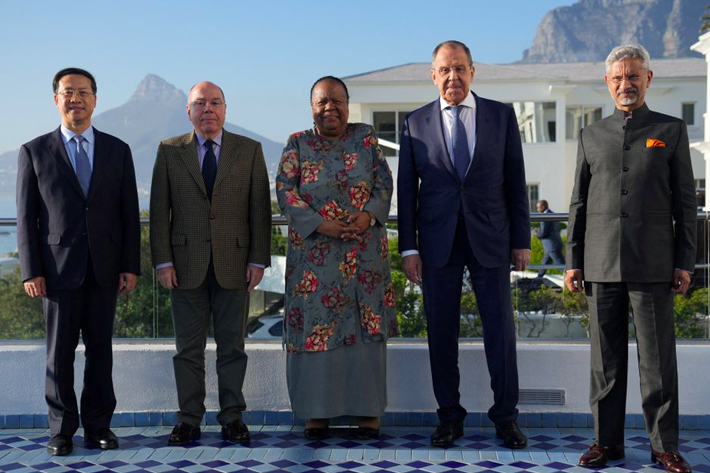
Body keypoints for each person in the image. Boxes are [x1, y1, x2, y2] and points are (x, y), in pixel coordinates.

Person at [565, 44, 695, 473]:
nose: (626, 84)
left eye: (633, 76)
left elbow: (685, 205)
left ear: (648, 79)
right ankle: (606, 443)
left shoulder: (670, 130)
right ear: (608, 82)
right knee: (605, 363)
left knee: (658, 363)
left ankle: (664, 447)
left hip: (654, 264)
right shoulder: (590, 134)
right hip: (600, 264)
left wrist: (684, 262)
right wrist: (572, 261)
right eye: (618, 77)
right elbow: (578, 205)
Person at [397, 41, 530, 449]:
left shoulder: (501, 115)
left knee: (500, 333)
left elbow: (515, 181)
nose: (452, 77)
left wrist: (521, 241)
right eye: (444, 70)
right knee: (441, 333)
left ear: (473, 71)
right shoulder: (414, 122)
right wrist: (408, 248)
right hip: (437, 244)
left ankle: (506, 418)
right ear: (433, 75)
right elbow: (407, 192)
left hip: (492, 239)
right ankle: (449, 418)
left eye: (460, 68)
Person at [16, 68, 141, 456]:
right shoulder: (34, 151)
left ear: (95, 99)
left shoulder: (118, 150)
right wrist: (31, 270)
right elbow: (26, 218)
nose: (76, 99)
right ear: (56, 99)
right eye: (68, 92)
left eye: (83, 92)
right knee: (59, 354)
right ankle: (61, 430)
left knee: (100, 353)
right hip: (55, 273)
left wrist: (130, 265)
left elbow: (129, 214)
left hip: (105, 269)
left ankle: (99, 427)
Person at [150, 81, 271, 446]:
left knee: (232, 347)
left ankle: (232, 418)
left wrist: (258, 260)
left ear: (225, 109)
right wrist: (162, 262)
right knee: (188, 350)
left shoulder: (249, 150)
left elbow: (260, 211)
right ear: (188, 111)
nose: (208, 109)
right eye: (200, 103)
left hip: (236, 264)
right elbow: (159, 213)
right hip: (184, 266)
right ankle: (189, 419)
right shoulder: (169, 151)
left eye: (215, 103)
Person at [276, 76, 397, 441]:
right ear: (312, 107)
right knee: (315, 333)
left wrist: (370, 215)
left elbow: (384, 182)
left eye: (337, 101)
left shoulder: (366, 138)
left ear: (348, 103)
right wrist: (321, 225)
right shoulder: (297, 143)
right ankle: (317, 413)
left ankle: (367, 412)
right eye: (322, 102)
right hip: (315, 260)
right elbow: (285, 192)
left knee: (363, 335)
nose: (330, 107)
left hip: (364, 258)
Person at [534, 200, 565, 277]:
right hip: (551, 246)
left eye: (538, 208)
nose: (537, 210)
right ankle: (537, 280)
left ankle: (572, 282)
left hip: (552, 246)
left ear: (543, 207)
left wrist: (536, 234)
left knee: (562, 267)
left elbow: (544, 233)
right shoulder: (552, 214)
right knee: (543, 266)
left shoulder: (545, 216)